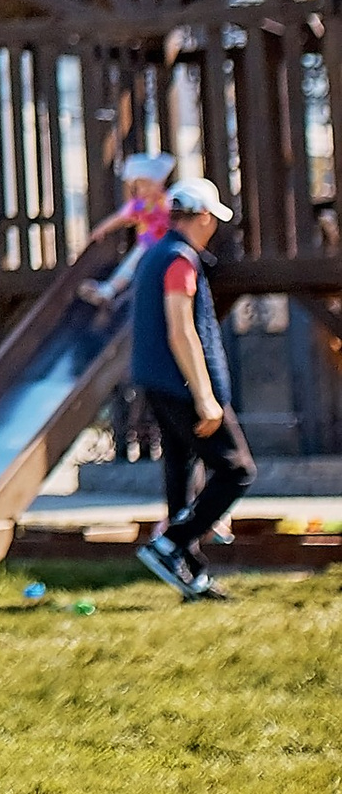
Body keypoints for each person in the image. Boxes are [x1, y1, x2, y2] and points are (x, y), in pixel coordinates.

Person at [130, 175, 254, 599]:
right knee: (236, 470)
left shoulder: (154, 255)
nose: (213, 228)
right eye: (212, 219)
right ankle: (171, 544)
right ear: (200, 216)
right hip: (184, 386)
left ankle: (189, 570)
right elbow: (181, 329)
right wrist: (205, 397)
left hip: (156, 382)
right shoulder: (181, 260)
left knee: (180, 468)